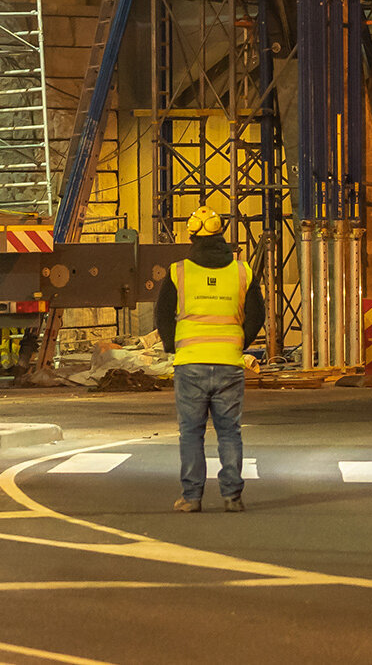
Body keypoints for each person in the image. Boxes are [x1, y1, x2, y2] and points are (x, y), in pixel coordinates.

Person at [156, 206, 265, 514]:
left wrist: (172, 346)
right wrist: (240, 341)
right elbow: (258, 313)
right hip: (229, 362)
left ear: (193, 236)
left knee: (191, 432)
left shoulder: (179, 271)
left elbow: (163, 313)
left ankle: (191, 497)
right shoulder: (242, 271)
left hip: (190, 363)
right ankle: (232, 496)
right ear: (220, 235)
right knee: (229, 431)